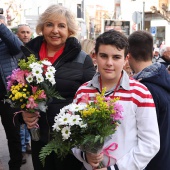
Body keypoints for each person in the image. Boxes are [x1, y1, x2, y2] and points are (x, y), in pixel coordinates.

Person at [72, 29, 160, 170]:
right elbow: (73, 134)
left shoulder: (140, 93)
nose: (109, 63)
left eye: (116, 57)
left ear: (126, 59)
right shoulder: (83, 91)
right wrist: (85, 155)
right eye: (104, 56)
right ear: (95, 56)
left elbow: (150, 143)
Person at [21, 4, 96, 170]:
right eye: (49, 24)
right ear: (42, 28)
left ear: (70, 31)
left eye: (61, 25)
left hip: (70, 141)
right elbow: (16, 92)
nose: (55, 30)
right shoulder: (27, 55)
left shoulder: (83, 60)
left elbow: (93, 99)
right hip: (39, 139)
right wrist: (22, 115)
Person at [127, 30, 170, 170]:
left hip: (149, 163)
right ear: (152, 53)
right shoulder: (164, 79)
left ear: (128, 56)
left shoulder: (143, 90)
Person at [0, 15, 23, 169]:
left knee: (13, 134)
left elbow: (18, 47)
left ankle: (15, 165)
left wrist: (1, 26)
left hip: (7, 97)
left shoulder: (6, 43)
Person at [16, 24, 32, 161]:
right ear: (17, 35)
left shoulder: (33, 50)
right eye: (22, 32)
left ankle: (27, 144)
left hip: (31, 92)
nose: (25, 35)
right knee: (21, 122)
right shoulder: (14, 48)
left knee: (28, 122)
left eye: (27, 32)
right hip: (17, 90)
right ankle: (21, 149)